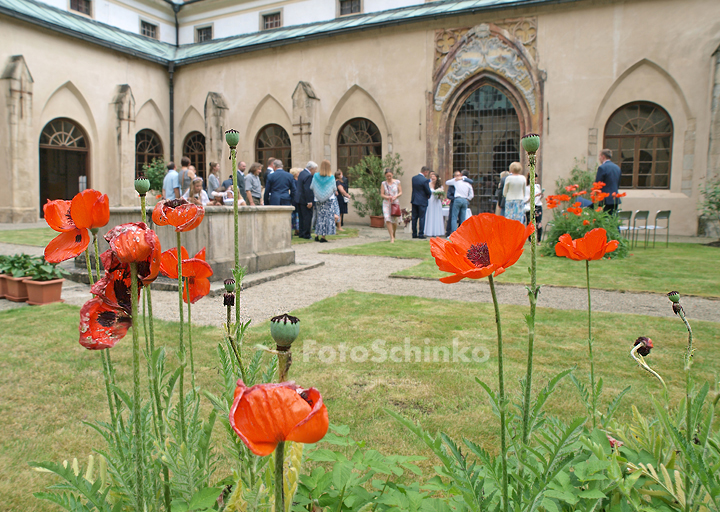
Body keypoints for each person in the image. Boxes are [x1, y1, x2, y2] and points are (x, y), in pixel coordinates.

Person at [310, 160, 340, 242]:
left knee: (319, 217)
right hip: (329, 200)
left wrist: (319, 193)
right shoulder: (331, 177)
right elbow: (334, 188)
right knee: (326, 218)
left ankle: (316, 235)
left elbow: (312, 186)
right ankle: (323, 237)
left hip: (318, 200)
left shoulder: (316, 176)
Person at [445, 171, 474, 236]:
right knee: (463, 218)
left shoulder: (457, 181)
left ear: (461, 174)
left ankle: (454, 233)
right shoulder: (468, 183)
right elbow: (472, 195)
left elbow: (447, 182)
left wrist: (455, 179)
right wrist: (467, 199)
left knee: (454, 217)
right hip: (465, 200)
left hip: (457, 199)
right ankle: (462, 233)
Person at [596, 148, 622, 213]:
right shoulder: (617, 167)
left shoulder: (602, 168)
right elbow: (618, 183)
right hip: (615, 198)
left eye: (599, 156)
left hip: (605, 199)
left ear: (603, 156)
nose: (599, 158)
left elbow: (597, 184)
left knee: (605, 219)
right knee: (612, 218)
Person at [380, 168, 402, 243]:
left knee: (394, 221)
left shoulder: (397, 182)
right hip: (386, 203)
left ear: (392, 174)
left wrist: (396, 196)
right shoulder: (383, 183)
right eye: (387, 176)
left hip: (395, 203)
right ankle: (391, 237)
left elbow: (400, 192)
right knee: (387, 219)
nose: (389, 178)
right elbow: (382, 194)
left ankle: (394, 232)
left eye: (390, 176)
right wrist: (387, 197)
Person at [410, 166, 432, 239]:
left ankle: (414, 233)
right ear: (425, 172)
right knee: (422, 218)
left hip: (414, 200)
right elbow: (427, 190)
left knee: (414, 217)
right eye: (427, 173)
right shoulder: (424, 180)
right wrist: (429, 195)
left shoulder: (414, 178)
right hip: (422, 201)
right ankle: (421, 234)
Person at [296, 161, 316, 239]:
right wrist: (309, 201)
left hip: (299, 199)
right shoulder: (308, 176)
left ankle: (301, 232)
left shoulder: (302, 173)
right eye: (315, 169)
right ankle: (306, 234)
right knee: (307, 217)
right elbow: (307, 189)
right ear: (311, 168)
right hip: (305, 200)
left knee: (301, 217)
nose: (316, 171)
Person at [424, 171, 445, 237]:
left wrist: (439, 194)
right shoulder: (429, 184)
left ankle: (437, 231)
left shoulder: (440, 186)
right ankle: (429, 231)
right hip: (430, 200)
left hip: (437, 201)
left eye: (434, 177)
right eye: (432, 176)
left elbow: (441, 196)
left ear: (436, 178)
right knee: (430, 214)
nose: (432, 178)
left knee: (437, 215)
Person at [523, 176, 544, 242]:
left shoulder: (537, 186)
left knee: (539, 223)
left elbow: (538, 198)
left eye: (536, 180)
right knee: (530, 223)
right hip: (530, 206)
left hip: (538, 205)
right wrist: (534, 196)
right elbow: (526, 200)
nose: (535, 181)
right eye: (534, 180)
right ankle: (530, 240)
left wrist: (541, 196)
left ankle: (538, 240)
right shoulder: (527, 188)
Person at [289, 167, 302, 235]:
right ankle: (296, 229)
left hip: (297, 199)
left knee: (297, 214)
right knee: (295, 214)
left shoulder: (298, 180)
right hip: (294, 199)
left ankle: (298, 228)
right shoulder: (293, 181)